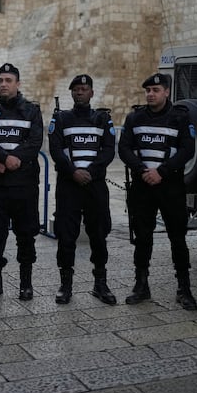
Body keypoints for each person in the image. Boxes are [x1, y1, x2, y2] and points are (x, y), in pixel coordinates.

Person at [118, 72, 197, 310]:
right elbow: (124, 148)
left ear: (166, 92)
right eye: (148, 91)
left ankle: (184, 288)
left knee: (177, 237)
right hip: (142, 186)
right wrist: (142, 169)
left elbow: (187, 150)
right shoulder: (135, 117)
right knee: (142, 237)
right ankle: (141, 285)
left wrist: (161, 171)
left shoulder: (181, 118)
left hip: (170, 186)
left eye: (156, 90)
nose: (151, 95)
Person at [0, 63, 43, 301]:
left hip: (24, 186)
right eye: (0, 80)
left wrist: (12, 160)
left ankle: (26, 283)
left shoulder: (32, 111)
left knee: (26, 235)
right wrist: (3, 157)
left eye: (8, 80)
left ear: (17, 83)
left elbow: (34, 142)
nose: (3, 84)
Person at [48, 74, 116, 305]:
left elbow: (108, 150)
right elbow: (56, 150)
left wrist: (91, 172)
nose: (79, 92)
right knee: (67, 235)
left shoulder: (102, 118)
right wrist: (73, 172)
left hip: (95, 186)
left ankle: (100, 283)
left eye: (84, 89)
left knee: (98, 233)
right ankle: (65, 284)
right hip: (69, 185)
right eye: (76, 89)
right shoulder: (61, 118)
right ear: (71, 93)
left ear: (91, 93)